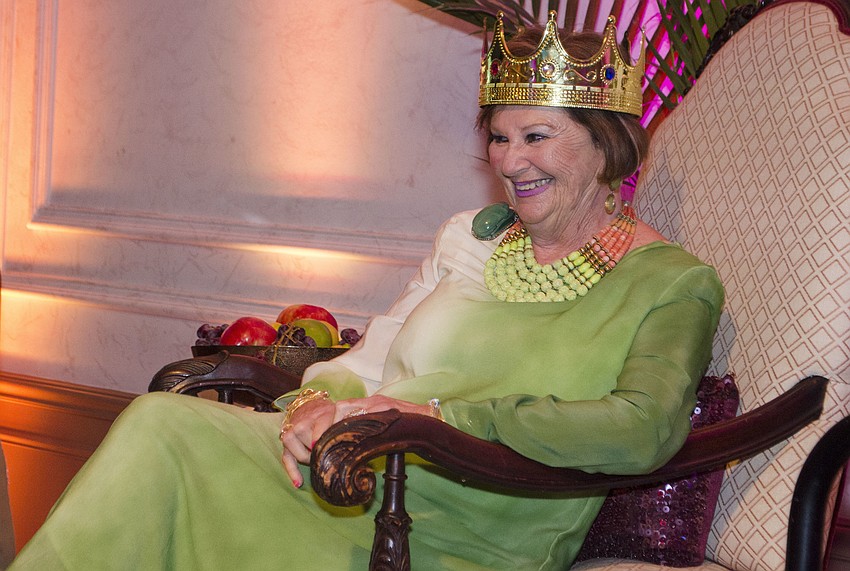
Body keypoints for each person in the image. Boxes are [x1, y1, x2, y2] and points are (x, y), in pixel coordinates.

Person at [9, 12, 723, 571]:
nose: (510, 162)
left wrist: (438, 418)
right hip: (354, 472)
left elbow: (643, 429)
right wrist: (314, 404)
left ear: (607, 144)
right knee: (162, 423)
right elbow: (374, 360)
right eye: (499, 139)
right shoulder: (470, 238)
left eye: (535, 136)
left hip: (461, 525)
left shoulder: (673, 282)